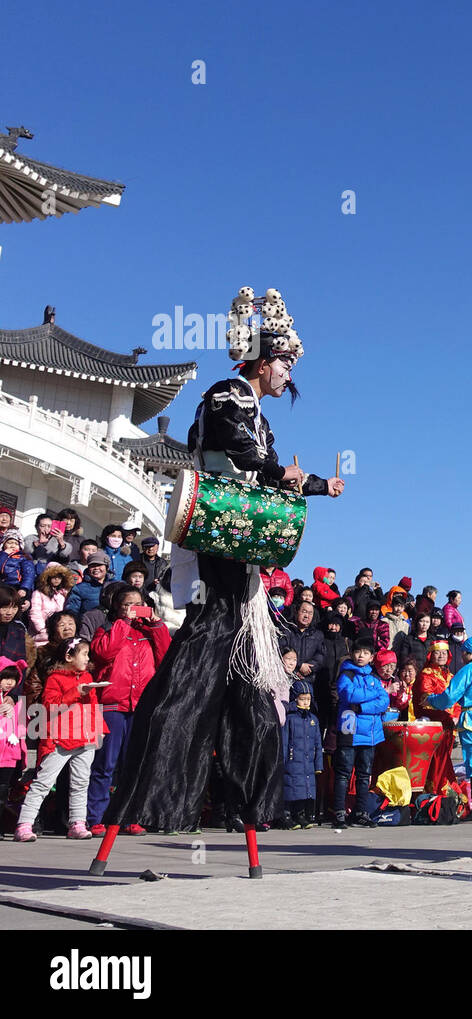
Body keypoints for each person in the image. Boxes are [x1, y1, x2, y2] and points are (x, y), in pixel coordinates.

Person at [103, 286, 345, 839]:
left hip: (242, 562)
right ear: (264, 359)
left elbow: (271, 468)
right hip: (216, 552)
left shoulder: (258, 412)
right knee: (194, 673)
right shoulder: (227, 396)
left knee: (253, 700)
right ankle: (155, 797)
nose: (288, 374)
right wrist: (274, 469)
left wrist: (318, 487)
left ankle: (249, 804)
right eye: (285, 362)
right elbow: (239, 450)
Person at [86, 587, 170, 835]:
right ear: (117, 607)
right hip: (113, 704)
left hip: (141, 704)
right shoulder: (107, 629)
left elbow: (166, 657)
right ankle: (96, 817)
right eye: (127, 604)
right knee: (105, 765)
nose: (133, 607)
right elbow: (103, 653)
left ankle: (130, 816)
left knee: (134, 764)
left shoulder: (148, 633)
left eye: (138, 603)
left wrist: (157, 627)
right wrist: (123, 623)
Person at [14, 637, 103, 841]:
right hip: (60, 738)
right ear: (69, 656)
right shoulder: (55, 678)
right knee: (43, 782)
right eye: (84, 654)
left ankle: (77, 822)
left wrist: (99, 729)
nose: (87, 658)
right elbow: (49, 705)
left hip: (85, 736)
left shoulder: (88, 676)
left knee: (81, 782)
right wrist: (76, 692)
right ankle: (24, 823)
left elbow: (92, 707)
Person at [425, 635, 472, 822]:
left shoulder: (468, 671)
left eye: (463, 653)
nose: (461, 656)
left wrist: (430, 699)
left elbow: (448, 698)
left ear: (469, 653)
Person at [332, 635, 386, 829]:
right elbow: (349, 695)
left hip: (370, 733)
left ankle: (360, 812)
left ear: (372, 657)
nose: (361, 656)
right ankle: (338, 812)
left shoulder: (373, 678)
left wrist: (362, 707)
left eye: (365, 653)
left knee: (365, 775)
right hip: (350, 730)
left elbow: (384, 701)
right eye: (358, 652)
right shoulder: (347, 675)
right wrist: (374, 696)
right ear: (352, 654)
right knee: (344, 773)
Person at [282, 679, 323, 829]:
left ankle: (300, 814)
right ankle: (287, 814)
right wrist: (283, 760)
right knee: (291, 786)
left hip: (308, 761)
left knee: (305, 788)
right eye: (302, 699)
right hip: (293, 760)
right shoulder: (290, 719)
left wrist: (318, 764)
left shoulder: (314, 720)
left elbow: (318, 744)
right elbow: (285, 741)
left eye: (308, 699)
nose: (306, 702)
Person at [0, 662, 25, 817]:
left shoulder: (17, 701)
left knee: (3, 791)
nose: (9, 682)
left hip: (10, 752)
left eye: (13, 678)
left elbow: (22, 726)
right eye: (5, 677)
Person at [30, 563, 74, 646]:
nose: (57, 579)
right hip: (41, 636)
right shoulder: (38, 593)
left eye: (59, 577)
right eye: (54, 577)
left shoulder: (62, 595)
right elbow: (35, 613)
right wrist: (42, 630)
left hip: (59, 635)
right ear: (47, 577)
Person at [64, 551, 109, 618]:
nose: (96, 568)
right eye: (92, 565)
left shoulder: (115, 585)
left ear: (107, 568)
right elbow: (72, 612)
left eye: (99, 565)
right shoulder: (79, 589)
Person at [0, 585, 29, 663]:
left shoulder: (19, 629)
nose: (9, 613)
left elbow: (21, 661)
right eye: (4, 608)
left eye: (14, 607)